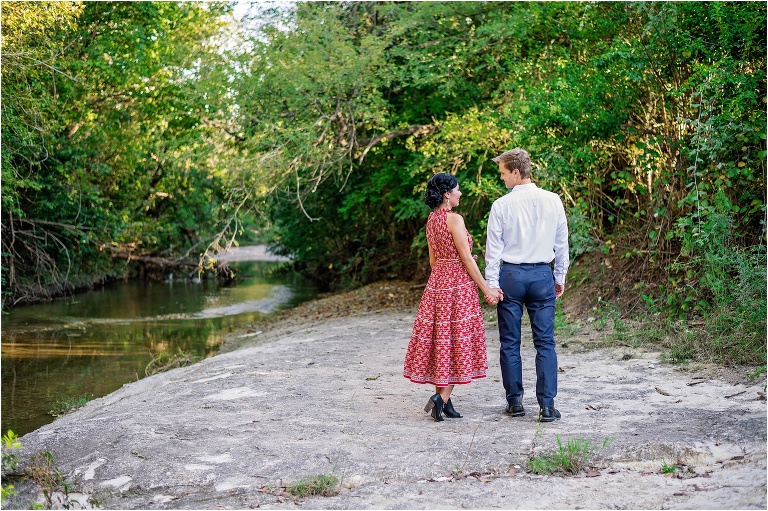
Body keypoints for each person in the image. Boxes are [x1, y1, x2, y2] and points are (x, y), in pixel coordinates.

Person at [404, 173, 502, 422]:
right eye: (457, 190)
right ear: (447, 194)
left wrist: (457, 262)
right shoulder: (454, 219)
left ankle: (444, 402)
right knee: (456, 342)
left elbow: (433, 261)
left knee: (444, 341)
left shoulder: (431, 220)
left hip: (438, 285)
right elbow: (467, 259)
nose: (460, 194)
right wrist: (487, 289)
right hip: (458, 287)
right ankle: (441, 399)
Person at [485, 148, 570, 423]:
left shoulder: (501, 205)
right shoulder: (553, 200)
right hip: (541, 276)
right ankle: (547, 406)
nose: (503, 179)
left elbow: (493, 251)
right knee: (545, 342)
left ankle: (515, 403)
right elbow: (561, 244)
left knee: (510, 342)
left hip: (511, 276)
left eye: (504, 174)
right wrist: (559, 277)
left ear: (516, 172)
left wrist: (491, 284)